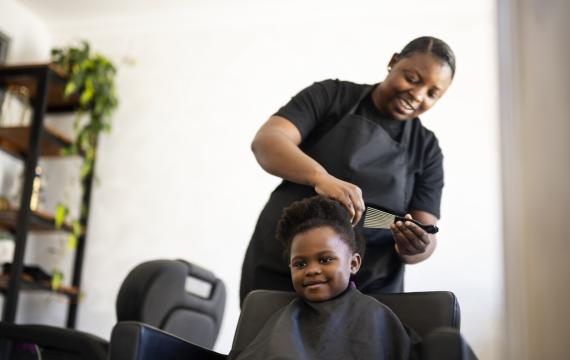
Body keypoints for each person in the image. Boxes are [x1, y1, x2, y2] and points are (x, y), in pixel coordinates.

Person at [240, 36, 456, 304]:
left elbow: (426, 229)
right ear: (393, 62)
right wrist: (321, 178)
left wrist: (416, 246)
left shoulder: (426, 148)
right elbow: (268, 141)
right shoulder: (331, 96)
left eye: (432, 93)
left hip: (368, 286)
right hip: (282, 266)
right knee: (268, 343)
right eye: (412, 78)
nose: (418, 94)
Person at [230, 196, 417, 360]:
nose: (311, 270)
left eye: (325, 259)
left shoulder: (375, 316)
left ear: (353, 263)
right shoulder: (284, 319)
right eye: (300, 264)